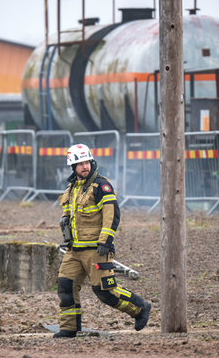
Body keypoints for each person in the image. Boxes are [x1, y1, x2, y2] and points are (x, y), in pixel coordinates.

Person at [54, 143, 151, 338]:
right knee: (66, 286)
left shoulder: (101, 186)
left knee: (105, 290)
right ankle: (69, 328)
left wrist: (105, 241)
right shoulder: (71, 188)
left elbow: (111, 214)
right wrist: (67, 237)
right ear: (73, 167)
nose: (85, 166)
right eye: (80, 163)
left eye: (87, 162)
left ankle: (140, 308)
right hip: (74, 250)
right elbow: (68, 216)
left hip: (96, 250)